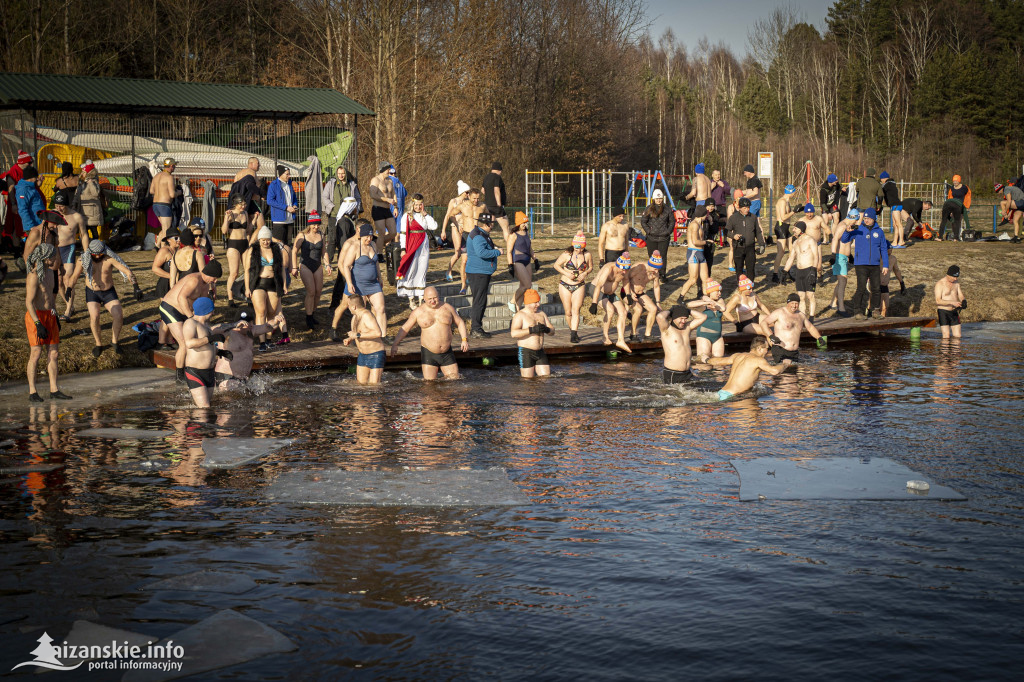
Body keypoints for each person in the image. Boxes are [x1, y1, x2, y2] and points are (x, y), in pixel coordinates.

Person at [65, 239, 143, 357]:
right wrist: (69, 288)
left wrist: (136, 287)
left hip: (108, 292)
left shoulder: (109, 258)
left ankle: (114, 341)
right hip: (92, 292)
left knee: (118, 315)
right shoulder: (83, 260)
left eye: (100, 253)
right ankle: (98, 344)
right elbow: (75, 276)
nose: (97, 256)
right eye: (94, 254)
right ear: (90, 252)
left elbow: (127, 271)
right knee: (95, 316)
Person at [160, 260, 223, 382]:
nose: (215, 281)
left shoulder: (205, 284)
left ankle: (194, 370)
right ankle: (179, 376)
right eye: (214, 278)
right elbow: (181, 297)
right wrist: (191, 318)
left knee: (197, 336)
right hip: (170, 308)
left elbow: (202, 304)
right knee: (184, 342)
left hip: (186, 311)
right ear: (208, 273)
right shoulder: (194, 280)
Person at [24, 243, 71, 402]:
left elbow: (50, 298)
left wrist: (55, 314)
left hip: (50, 315)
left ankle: (54, 389)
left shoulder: (51, 273)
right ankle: (32, 391)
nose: (55, 258)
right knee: (36, 353)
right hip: (35, 316)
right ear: (45, 258)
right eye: (52, 256)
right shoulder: (34, 276)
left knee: (54, 353)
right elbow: (29, 302)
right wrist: (37, 323)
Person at [390, 286, 469, 380]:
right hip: (429, 353)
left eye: (435, 298)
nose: (433, 301)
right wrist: (395, 344)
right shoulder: (418, 312)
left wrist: (464, 339)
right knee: (430, 385)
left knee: (454, 380)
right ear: (424, 298)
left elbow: (460, 322)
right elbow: (405, 328)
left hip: (446, 352)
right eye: (430, 299)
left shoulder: (447, 307)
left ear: (438, 296)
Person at [181, 297, 236, 408]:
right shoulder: (190, 323)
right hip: (195, 372)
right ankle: (196, 424)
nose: (213, 313)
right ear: (206, 310)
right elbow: (189, 343)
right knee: (204, 408)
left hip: (209, 372)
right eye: (212, 310)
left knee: (208, 408)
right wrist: (210, 339)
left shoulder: (206, 326)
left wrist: (220, 352)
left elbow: (208, 347)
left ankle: (199, 424)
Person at [244, 226, 290, 350]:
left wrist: (284, 285)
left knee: (272, 313)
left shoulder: (276, 250)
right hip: (258, 283)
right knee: (261, 312)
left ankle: (269, 339)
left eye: (267, 240)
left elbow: (282, 270)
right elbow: (247, 270)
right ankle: (262, 342)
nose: (265, 242)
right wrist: (247, 288)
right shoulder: (253, 250)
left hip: (273, 283)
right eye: (263, 240)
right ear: (259, 240)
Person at [214, 312, 284, 391]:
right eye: (248, 324)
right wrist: (232, 325)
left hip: (241, 379)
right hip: (226, 377)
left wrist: (275, 321)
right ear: (239, 324)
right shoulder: (227, 333)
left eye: (252, 323)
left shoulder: (251, 331)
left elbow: (268, 326)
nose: (251, 326)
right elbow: (211, 329)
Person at [841, 207, 889, 319]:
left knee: (876, 288)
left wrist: (885, 265)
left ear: (873, 219)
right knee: (861, 288)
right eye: (865, 218)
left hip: (875, 264)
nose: (866, 220)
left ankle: (876, 311)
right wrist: (847, 232)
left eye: (868, 218)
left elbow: (883, 249)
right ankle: (857, 312)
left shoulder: (879, 231)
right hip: (861, 264)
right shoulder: (858, 229)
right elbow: (844, 240)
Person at [342, 222, 388, 338]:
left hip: (373, 284)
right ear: (361, 235)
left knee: (380, 308)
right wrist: (349, 283)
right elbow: (346, 265)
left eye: (371, 236)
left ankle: (382, 336)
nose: (369, 238)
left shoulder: (373, 244)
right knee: (360, 311)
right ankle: (354, 335)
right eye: (366, 236)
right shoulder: (355, 247)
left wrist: (380, 277)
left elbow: (376, 262)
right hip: (359, 284)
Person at [706, 336, 785, 401]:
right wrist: (785, 364)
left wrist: (706, 360)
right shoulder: (758, 360)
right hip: (732, 397)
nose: (767, 351)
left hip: (721, 393)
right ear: (759, 348)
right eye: (767, 349)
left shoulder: (737, 355)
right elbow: (775, 371)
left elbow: (718, 361)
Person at [465, 211, 502, 338]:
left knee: (480, 300)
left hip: (480, 272)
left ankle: (477, 327)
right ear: (487, 224)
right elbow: (481, 253)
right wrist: (497, 252)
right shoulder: (478, 236)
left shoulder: (481, 233)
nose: (493, 225)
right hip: (478, 272)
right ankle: (476, 329)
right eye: (492, 223)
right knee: (479, 302)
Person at [53, 193, 90, 322]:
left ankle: (68, 310)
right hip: (55, 249)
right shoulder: (53, 215)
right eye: (56, 206)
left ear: (67, 205)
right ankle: (70, 304)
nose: (59, 209)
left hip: (68, 249)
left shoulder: (76, 216)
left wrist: (86, 253)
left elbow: (84, 235)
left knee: (67, 279)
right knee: (59, 282)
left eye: (61, 206)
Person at [761, 293, 826, 366]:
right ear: (788, 303)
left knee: (793, 375)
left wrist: (819, 338)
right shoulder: (780, 312)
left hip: (794, 352)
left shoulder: (801, 315)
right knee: (785, 374)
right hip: (780, 349)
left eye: (796, 303)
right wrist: (771, 336)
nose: (794, 306)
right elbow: (764, 323)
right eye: (792, 303)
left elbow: (810, 327)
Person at [291, 210, 331, 329]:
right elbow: (294, 251)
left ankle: (312, 313)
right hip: (305, 265)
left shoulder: (321, 235)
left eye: (318, 224)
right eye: (314, 224)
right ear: (309, 224)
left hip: (317, 265)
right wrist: (294, 267)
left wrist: (327, 265)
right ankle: (308, 317)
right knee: (311, 292)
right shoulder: (302, 235)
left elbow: (324, 252)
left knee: (318, 292)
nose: (316, 226)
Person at [397, 194, 436, 308]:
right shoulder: (407, 216)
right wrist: (403, 249)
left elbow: (434, 226)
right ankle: (411, 298)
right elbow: (403, 234)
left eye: (420, 205)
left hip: (423, 244)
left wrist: (426, 215)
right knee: (412, 270)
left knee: (422, 269)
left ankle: (420, 297)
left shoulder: (424, 216)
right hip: (412, 245)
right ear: (412, 204)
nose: (418, 207)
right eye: (416, 205)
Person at [554, 230, 593, 344]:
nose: (578, 250)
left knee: (576, 310)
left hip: (579, 285)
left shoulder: (587, 255)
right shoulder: (566, 254)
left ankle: (574, 334)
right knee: (568, 312)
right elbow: (556, 265)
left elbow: (590, 267)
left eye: (581, 248)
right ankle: (572, 330)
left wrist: (585, 273)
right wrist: (566, 273)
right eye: (576, 248)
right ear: (573, 245)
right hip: (565, 284)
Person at [589, 252, 633, 352]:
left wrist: (628, 295)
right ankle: (605, 337)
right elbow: (599, 286)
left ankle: (620, 340)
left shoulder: (625, 271)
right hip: (597, 290)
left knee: (623, 313)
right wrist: (594, 303)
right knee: (610, 310)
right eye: (622, 269)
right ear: (618, 265)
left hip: (610, 293)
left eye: (626, 270)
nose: (624, 272)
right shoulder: (608, 269)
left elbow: (626, 282)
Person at [448, 188, 488, 294]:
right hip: (466, 235)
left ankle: (478, 284)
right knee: (464, 261)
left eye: (478, 198)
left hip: (478, 235)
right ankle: (463, 285)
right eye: (474, 198)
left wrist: (488, 227)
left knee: (479, 260)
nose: (476, 200)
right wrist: (457, 225)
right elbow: (451, 215)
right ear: (469, 196)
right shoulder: (462, 206)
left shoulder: (482, 206)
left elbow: (489, 218)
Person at [657, 304, 708, 384]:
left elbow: (703, 317)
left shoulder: (687, 328)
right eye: (681, 318)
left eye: (685, 319)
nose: (683, 321)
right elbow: (660, 316)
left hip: (687, 373)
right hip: (672, 373)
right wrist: (671, 311)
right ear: (674, 317)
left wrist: (688, 311)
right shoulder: (667, 329)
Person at [509, 289, 554, 378]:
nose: (538, 304)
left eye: (538, 302)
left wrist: (547, 330)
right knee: (527, 381)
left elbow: (552, 331)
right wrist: (531, 330)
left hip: (540, 351)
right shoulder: (520, 315)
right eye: (536, 302)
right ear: (528, 303)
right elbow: (513, 333)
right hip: (526, 352)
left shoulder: (541, 314)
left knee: (546, 378)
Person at [782, 221, 822, 320]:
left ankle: (811, 317)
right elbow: (791, 258)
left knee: (810, 295)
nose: (793, 230)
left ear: (801, 229)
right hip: (799, 271)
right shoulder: (795, 242)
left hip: (809, 270)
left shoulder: (810, 240)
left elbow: (816, 256)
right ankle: (803, 318)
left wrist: (814, 270)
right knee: (801, 297)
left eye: (795, 228)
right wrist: (784, 271)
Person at [343, 294, 386, 385]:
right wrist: (350, 338)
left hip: (375, 354)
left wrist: (357, 335)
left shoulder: (367, 315)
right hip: (362, 355)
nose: (347, 307)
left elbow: (377, 333)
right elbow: (358, 333)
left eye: (348, 305)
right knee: (361, 385)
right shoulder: (354, 318)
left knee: (374, 387)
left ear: (354, 307)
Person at [687, 279, 733, 363]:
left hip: (717, 337)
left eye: (720, 291)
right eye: (717, 291)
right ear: (710, 292)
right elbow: (689, 305)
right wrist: (705, 302)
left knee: (719, 364)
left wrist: (711, 301)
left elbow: (723, 308)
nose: (719, 294)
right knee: (704, 363)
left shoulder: (720, 301)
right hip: (704, 336)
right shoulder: (703, 304)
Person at [330, 226, 361, 341]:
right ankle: (333, 329)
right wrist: (348, 280)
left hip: (363, 281)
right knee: (345, 304)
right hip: (351, 280)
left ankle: (359, 332)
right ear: (358, 229)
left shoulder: (366, 242)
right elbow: (340, 263)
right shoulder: (349, 243)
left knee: (362, 307)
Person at [222, 194, 254, 307]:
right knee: (234, 273)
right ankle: (231, 299)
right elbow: (224, 231)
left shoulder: (245, 213)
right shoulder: (230, 214)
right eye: (241, 204)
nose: (243, 206)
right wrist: (226, 219)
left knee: (248, 270)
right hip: (233, 244)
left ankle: (248, 295)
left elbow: (248, 230)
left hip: (244, 243)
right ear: (236, 204)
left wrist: (253, 220)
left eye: (244, 204)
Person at [624, 251, 664, 341]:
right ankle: (633, 334)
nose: (656, 272)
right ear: (650, 264)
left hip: (640, 293)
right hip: (627, 291)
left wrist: (658, 302)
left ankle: (647, 335)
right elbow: (625, 279)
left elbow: (656, 287)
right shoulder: (639, 267)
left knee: (653, 309)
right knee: (638, 309)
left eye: (658, 269)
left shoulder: (655, 273)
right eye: (655, 269)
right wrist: (630, 292)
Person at [826, 209, 858, 317]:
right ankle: (841, 308)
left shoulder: (848, 227)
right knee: (843, 282)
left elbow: (847, 243)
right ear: (853, 218)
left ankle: (833, 303)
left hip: (844, 257)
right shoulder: (842, 225)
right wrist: (833, 255)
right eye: (856, 220)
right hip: (839, 257)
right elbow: (835, 239)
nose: (856, 223)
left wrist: (850, 256)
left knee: (841, 282)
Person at [324, 166, 361, 260]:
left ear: (346, 173)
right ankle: (328, 261)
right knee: (332, 239)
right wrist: (332, 207)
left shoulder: (352, 184)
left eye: (343, 173)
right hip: (333, 215)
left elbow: (358, 198)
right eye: (339, 173)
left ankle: (343, 258)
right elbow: (324, 197)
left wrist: (356, 209)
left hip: (347, 217)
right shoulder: (331, 183)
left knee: (345, 238)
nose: (341, 175)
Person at [441, 180, 471, 282]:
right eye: (467, 192)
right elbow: (447, 216)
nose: (468, 194)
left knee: (466, 253)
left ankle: (465, 274)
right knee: (458, 252)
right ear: (462, 192)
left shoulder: (467, 203)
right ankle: (449, 270)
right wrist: (443, 230)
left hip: (466, 228)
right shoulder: (454, 201)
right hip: (455, 227)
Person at [677, 206, 709, 300]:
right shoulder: (694, 224)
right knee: (693, 279)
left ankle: (706, 298)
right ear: (703, 214)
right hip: (694, 252)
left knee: (705, 279)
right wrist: (706, 242)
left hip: (700, 253)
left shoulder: (700, 224)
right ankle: (681, 297)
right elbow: (695, 241)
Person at [640, 189, 673, 280]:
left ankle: (662, 274)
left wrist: (667, 232)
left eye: (660, 198)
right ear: (654, 199)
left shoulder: (667, 209)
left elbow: (672, 222)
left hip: (664, 237)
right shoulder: (649, 208)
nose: (659, 200)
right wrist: (649, 231)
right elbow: (643, 221)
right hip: (651, 237)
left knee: (662, 256)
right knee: (652, 256)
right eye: (657, 198)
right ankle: (652, 272)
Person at [727, 197, 761, 282]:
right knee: (739, 269)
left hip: (750, 247)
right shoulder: (733, 218)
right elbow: (726, 231)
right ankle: (741, 287)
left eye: (748, 207)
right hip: (738, 247)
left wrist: (762, 244)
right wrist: (733, 236)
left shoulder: (753, 217)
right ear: (739, 207)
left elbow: (758, 232)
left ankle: (750, 287)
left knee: (751, 268)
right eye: (744, 208)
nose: (747, 209)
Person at [506, 211, 534, 311]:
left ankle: (517, 310)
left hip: (527, 260)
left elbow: (530, 247)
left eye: (526, 223)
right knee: (527, 285)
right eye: (523, 223)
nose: (525, 225)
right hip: (518, 261)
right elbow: (509, 251)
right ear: (518, 223)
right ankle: (512, 301)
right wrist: (510, 265)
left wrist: (535, 259)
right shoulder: (513, 235)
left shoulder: (526, 233)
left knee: (524, 287)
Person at [15, 167, 46, 257]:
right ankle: (24, 264)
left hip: (38, 222)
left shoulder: (30, 187)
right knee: (32, 249)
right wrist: (30, 226)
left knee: (37, 249)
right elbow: (22, 209)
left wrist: (38, 184)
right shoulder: (23, 189)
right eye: (36, 177)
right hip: (33, 225)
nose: (37, 178)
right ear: (31, 177)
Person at [369, 162, 398, 253]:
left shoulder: (389, 180)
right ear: (382, 170)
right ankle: (379, 254)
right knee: (381, 233)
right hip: (378, 209)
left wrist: (396, 207)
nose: (389, 171)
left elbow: (393, 194)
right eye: (388, 169)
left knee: (393, 232)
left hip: (387, 209)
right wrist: (386, 199)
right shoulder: (375, 180)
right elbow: (372, 195)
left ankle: (376, 243)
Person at [771, 184, 797, 284]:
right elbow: (783, 217)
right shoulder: (782, 201)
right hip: (781, 227)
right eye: (794, 192)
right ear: (791, 192)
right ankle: (775, 274)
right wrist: (794, 211)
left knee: (792, 251)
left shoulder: (787, 201)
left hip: (786, 228)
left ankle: (787, 271)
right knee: (781, 252)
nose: (794, 194)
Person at [266, 165, 298, 245]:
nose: (289, 176)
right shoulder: (273, 185)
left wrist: (295, 205)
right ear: (281, 174)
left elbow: (294, 198)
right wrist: (286, 207)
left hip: (290, 218)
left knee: (288, 243)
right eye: (287, 174)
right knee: (278, 244)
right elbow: (270, 201)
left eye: (289, 174)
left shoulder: (290, 184)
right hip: (279, 220)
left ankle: (287, 257)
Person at [149, 158, 177, 243]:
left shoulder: (156, 176)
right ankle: (163, 250)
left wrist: (161, 191)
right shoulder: (169, 177)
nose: (175, 168)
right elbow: (172, 194)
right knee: (167, 230)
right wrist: (178, 192)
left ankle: (157, 246)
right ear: (171, 166)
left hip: (155, 205)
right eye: (174, 166)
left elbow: (151, 191)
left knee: (164, 228)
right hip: (164, 205)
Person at [935, 265, 965, 339]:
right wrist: (952, 302)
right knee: (946, 336)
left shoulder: (956, 282)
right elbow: (938, 301)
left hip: (954, 311)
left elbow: (960, 295)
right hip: (943, 312)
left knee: (958, 336)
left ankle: (955, 350)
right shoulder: (940, 284)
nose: (955, 279)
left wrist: (964, 301)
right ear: (948, 275)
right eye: (954, 277)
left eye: (957, 277)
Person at [78, 161, 106, 241]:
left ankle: (96, 247)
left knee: (94, 231)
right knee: (84, 231)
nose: (82, 173)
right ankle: (87, 247)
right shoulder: (82, 182)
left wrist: (90, 183)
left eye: (83, 172)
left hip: (92, 211)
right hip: (84, 210)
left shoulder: (93, 181)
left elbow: (95, 193)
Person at [152, 227, 180, 302]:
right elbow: (155, 268)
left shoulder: (179, 250)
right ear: (168, 240)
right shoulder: (164, 250)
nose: (179, 240)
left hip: (178, 283)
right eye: (176, 238)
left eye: (180, 238)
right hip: (165, 284)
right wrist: (172, 276)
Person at [483, 162, 510, 239]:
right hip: (496, 206)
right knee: (506, 227)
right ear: (499, 170)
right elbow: (496, 190)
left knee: (489, 227)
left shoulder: (486, 177)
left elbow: (483, 190)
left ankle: (486, 244)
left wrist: (489, 196)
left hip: (487, 205)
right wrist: (499, 204)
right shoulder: (497, 177)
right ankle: (509, 248)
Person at [939, 175, 971, 241]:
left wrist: (966, 206)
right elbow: (950, 197)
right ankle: (955, 235)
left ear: (959, 181)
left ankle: (957, 235)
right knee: (954, 221)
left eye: (956, 181)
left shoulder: (964, 188)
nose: (954, 183)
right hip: (952, 205)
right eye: (953, 181)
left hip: (961, 206)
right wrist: (950, 210)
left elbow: (968, 197)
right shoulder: (952, 188)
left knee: (958, 220)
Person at [879, 241, 905, 317]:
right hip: (875, 285)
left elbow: (897, 271)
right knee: (878, 307)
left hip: (885, 285)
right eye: (888, 250)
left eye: (891, 250)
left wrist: (902, 283)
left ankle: (883, 326)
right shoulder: (877, 258)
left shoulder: (893, 259)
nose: (890, 252)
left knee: (886, 307)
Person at [880, 172, 904, 247]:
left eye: (881, 179)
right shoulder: (892, 184)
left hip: (896, 205)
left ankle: (901, 240)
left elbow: (881, 190)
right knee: (895, 224)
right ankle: (895, 241)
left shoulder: (888, 184)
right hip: (894, 206)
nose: (881, 181)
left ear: (884, 178)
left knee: (898, 224)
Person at [819, 173, 842, 238]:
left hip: (832, 204)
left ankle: (833, 236)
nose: (837, 181)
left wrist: (842, 188)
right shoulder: (823, 190)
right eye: (835, 180)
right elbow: (822, 203)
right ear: (831, 181)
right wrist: (828, 213)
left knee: (836, 218)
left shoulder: (836, 185)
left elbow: (839, 186)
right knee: (825, 221)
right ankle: (825, 238)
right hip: (825, 206)